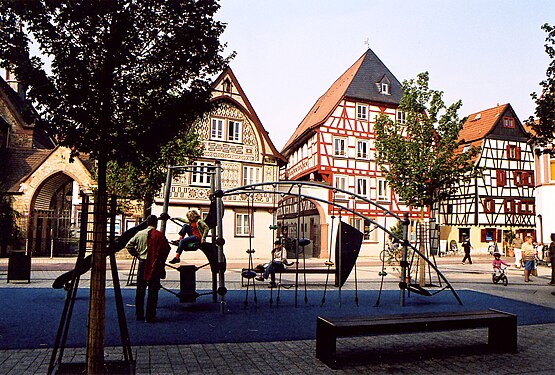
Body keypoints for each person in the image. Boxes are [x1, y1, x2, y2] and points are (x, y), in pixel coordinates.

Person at [126, 215, 171, 322]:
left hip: (142, 262)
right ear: (156, 223)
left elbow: (129, 245)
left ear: (147, 223)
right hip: (154, 264)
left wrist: (136, 254)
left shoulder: (140, 233)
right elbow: (166, 249)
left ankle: (139, 314)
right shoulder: (159, 235)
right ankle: (150, 316)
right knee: (153, 291)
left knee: (140, 290)